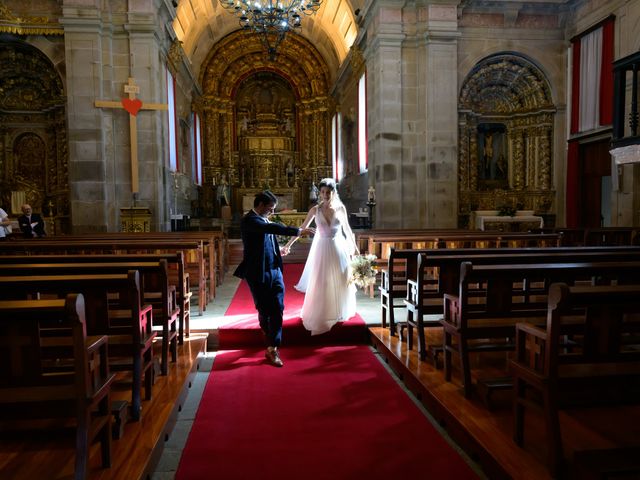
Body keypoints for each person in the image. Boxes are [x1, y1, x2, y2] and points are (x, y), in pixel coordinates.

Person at [233, 191, 315, 367]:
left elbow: (267, 239)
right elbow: (271, 229)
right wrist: (299, 231)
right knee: (264, 309)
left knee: (278, 307)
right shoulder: (249, 220)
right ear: (261, 205)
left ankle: (273, 347)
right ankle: (267, 331)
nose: (271, 213)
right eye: (270, 209)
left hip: (274, 269)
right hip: (257, 272)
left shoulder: (263, 219)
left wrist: (279, 249)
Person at [283, 178, 359, 335]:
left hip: (338, 248)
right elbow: (302, 228)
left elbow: (347, 230)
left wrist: (356, 249)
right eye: (323, 192)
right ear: (320, 193)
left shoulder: (340, 209)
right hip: (322, 249)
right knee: (321, 281)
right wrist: (288, 245)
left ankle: (338, 310)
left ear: (333, 192)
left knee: (340, 279)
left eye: (328, 192)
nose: (325, 195)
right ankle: (323, 312)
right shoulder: (315, 210)